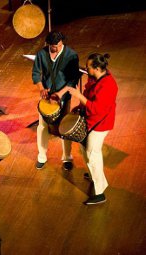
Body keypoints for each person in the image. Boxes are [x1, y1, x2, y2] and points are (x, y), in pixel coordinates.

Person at [65, 53, 118, 205]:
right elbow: (89, 98)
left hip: (101, 123)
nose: (86, 69)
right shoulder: (95, 78)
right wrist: (79, 106)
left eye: (88, 67)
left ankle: (100, 192)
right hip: (91, 120)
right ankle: (94, 175)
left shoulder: (108, 85)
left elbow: (96, 109)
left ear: (96, 68)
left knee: (92, 152)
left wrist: (78, 95)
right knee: (84, 148)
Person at [32, 31, 80, 170]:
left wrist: (60, 93)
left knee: (64, 127)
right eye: (53, 46)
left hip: (64, 96)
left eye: (58, 46)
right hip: (47, 97)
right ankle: (41, 156)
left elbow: (73, 79)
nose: (56, 49)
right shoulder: (42, 54)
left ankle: (67, 157)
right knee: (42, 126)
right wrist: (41, 88)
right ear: (48, 44)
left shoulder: (71, 55)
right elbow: (36, 73)